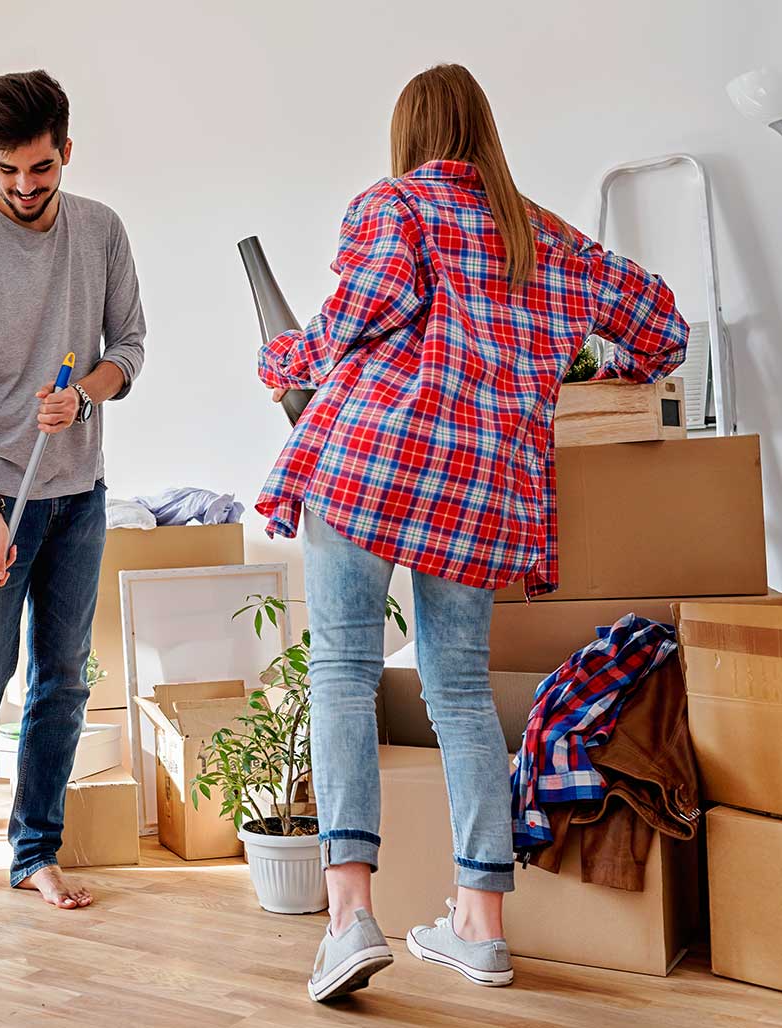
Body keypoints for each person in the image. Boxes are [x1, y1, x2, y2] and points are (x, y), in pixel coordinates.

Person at [256, 64, 687, 1001]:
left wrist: (279, 358)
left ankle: (347, 920)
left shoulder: (396, 205)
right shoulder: (546, 237)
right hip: (478, 489)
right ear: (485, 132)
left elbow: (352, 319)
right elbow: (662, 325)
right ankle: (479, 928)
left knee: (340, 672)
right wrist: (616, 364)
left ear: (411, 135)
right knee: (457, 693)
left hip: (370, 464)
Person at [0, 69, 146, 909]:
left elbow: (128, 346)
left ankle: (33, 850)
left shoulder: (101, 231)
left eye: (41, 169)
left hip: (76, 490)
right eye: (6, 171)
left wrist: (85, 391)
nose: (24, 188)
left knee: (63, 678)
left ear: (65, 151)